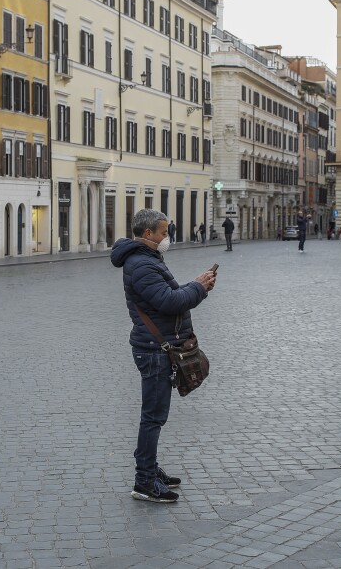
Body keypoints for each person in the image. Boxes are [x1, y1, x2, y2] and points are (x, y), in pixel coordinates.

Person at [111, 209, 216, 504]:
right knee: (153, 417)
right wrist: (199, 287)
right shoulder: (142, 265)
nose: (167, 237)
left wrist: (195, 284)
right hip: (155, 351)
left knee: (154, 416)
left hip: (157, 349)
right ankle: (144, 480)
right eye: (163, 233)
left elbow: (166, 295)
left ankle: (149, 469)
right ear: (148, 235)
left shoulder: (147, 260)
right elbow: (169, 302)